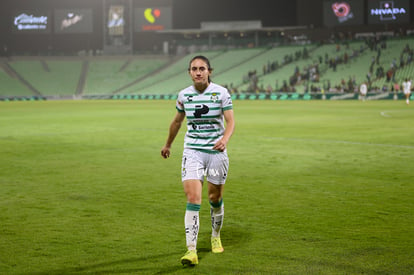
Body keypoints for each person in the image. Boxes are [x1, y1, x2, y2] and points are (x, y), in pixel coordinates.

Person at [161, 55, 235, 266]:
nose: (198, 72)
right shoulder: (184, 95)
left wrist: (225, 139)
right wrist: (168, 144)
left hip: (215, 153)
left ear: (209, 71)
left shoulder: (221, 93)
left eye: (202, 68)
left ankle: (215, 235)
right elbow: (177, 121)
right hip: (192, 151)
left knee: (214, 198)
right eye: (194, 69)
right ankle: (191, 251)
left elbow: (230, 121)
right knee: (193, 198)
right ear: (189, 72)